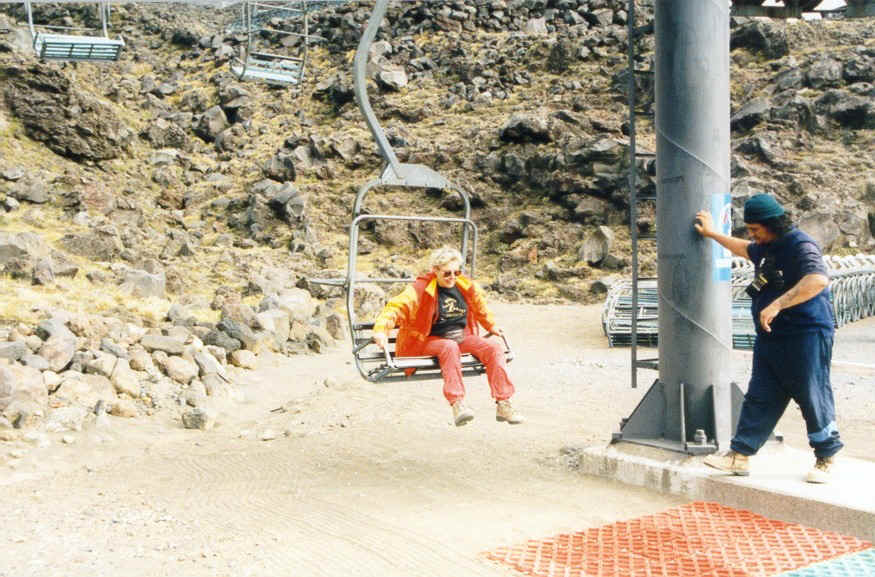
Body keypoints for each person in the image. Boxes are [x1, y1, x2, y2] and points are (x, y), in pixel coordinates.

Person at [694, 193, 842, 483]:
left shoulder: (801, 245)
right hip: (771, 335)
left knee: (812, 393)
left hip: (806, 332)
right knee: (761, 394)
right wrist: (712, 234)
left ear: (772, 224)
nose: (753, 236)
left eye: (756, 229)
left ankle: (826, 456)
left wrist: (776, 305)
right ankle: (741, 455)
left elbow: (817, 279)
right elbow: (744, 249)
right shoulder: (767, 245)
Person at [372, 247, 523, 427]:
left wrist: (491, 326)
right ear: (435, 270)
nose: (453, 277)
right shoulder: (420, 289)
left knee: (494, 347)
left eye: (456, 272)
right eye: (447, 273)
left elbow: (481, 308)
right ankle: (457, 404)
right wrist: (381, 330)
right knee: (449, 347)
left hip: (460, 337)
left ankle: (503, 403)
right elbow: (395, 308)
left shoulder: (465, 286)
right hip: (427, 340)